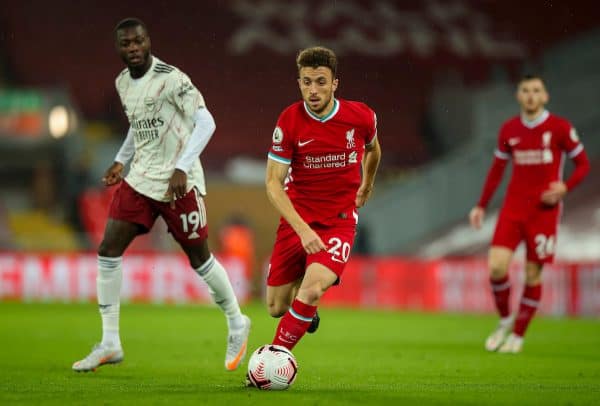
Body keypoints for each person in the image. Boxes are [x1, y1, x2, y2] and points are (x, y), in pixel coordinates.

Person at [72, 18, 251, 372]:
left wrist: (182, 167)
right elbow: (138, 127)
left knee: (200, 258)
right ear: (119, 48)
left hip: (178, 182)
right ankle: (110, 341)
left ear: (148, 41)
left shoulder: (172, 78)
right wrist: (121, 161)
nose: (133, 48)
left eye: (138, 41)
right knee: (108, 249)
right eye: (126, 44)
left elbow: (206, 122)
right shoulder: (122, 83)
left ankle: (236, 320)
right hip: (141, 179)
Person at [264, 46, 381, 351]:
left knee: (312, 290)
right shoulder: (289, 121)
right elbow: (273, 184)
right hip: (298, 219)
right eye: (306, 82)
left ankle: (275, 359)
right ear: (299, 82)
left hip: (338, 222)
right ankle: (304, 312)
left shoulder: (360, 117)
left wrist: (367, 185)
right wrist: (302, 230)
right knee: (276, 307)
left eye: (320, 81)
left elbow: (374, 150)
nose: (313, 90)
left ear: (334, 84)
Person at [469, 74, 590, 353]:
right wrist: (481, 205)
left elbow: (583, 164)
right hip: (513, 208)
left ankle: (518, 336)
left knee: (533, 274)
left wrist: (565, 186)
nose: (531, 95)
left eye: (537, 90)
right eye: (526, 91)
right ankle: (504, 320)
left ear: (545, 96)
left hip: (544, 211)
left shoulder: (560, 127)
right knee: (497, 267)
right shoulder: (509, 129)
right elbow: (497, 170)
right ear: (518, 96)